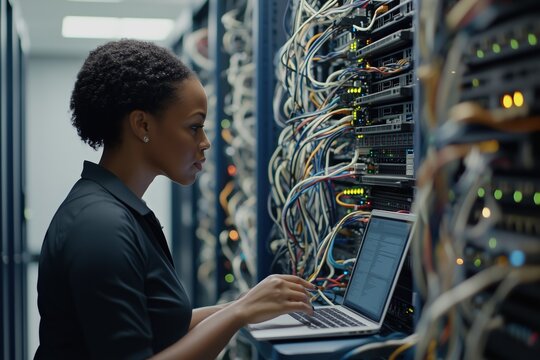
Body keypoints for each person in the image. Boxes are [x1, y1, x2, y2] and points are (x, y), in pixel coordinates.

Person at [35, 39, 315, 360]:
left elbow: (161, 325)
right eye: (194, 127)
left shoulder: (114, 209)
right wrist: (239, 313)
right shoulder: (101, 227)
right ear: (142, 125)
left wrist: (244, 306)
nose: (206, 142)